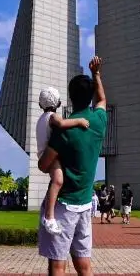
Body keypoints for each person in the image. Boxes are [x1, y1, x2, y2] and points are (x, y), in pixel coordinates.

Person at [37, 56, 109, 276]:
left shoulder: (63, 131)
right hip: (86, 205)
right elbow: (102, 100)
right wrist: (96, 73)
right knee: (84, 264)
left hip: (63, 206)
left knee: (58, 265)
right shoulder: (98, 121)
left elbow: (43, 165)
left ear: (69, 97)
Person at [37, 86, 91, 234]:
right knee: (58, 180)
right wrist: (79, 121)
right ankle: (49, 217)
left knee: (55, 182)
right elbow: (62, 124)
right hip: (48, 156)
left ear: (40, 104)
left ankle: (48, 213)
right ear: (59, 104)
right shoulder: (52, 117)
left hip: (44, 154)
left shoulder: (41, 118)